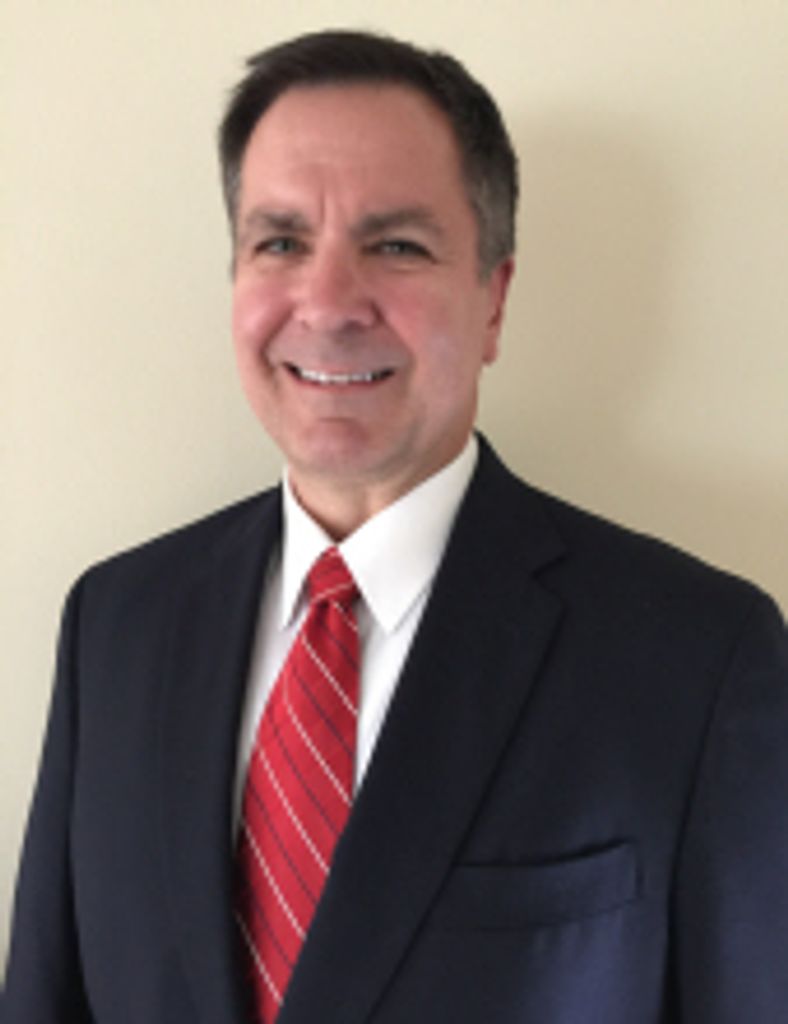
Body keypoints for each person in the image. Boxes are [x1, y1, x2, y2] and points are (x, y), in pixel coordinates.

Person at [2, 29, 787, 1024]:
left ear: (493, 299)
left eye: (396, 246)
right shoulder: (116, 624)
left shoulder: (697, 656)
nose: (328, 303)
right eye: (280, 242)